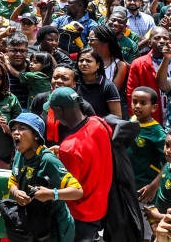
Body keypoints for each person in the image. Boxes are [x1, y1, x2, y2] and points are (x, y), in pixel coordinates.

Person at [47, 87, 113, 242]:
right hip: (101, 207)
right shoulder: (100, 123)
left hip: (79, 215)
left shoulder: (69, 147)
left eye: (52, 111)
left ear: (59, 110)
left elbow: (70, 189)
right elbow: (93, 151)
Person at [7, 112, 83, 242]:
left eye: (22, 128)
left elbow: (77, 191)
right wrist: (16, 192)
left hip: (54, 228)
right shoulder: (20, 154)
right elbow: (13, 180)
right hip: (33, 224)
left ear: (36, 135)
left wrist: (51, 194)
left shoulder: (47, 160)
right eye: (14, 129)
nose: (15, 132)